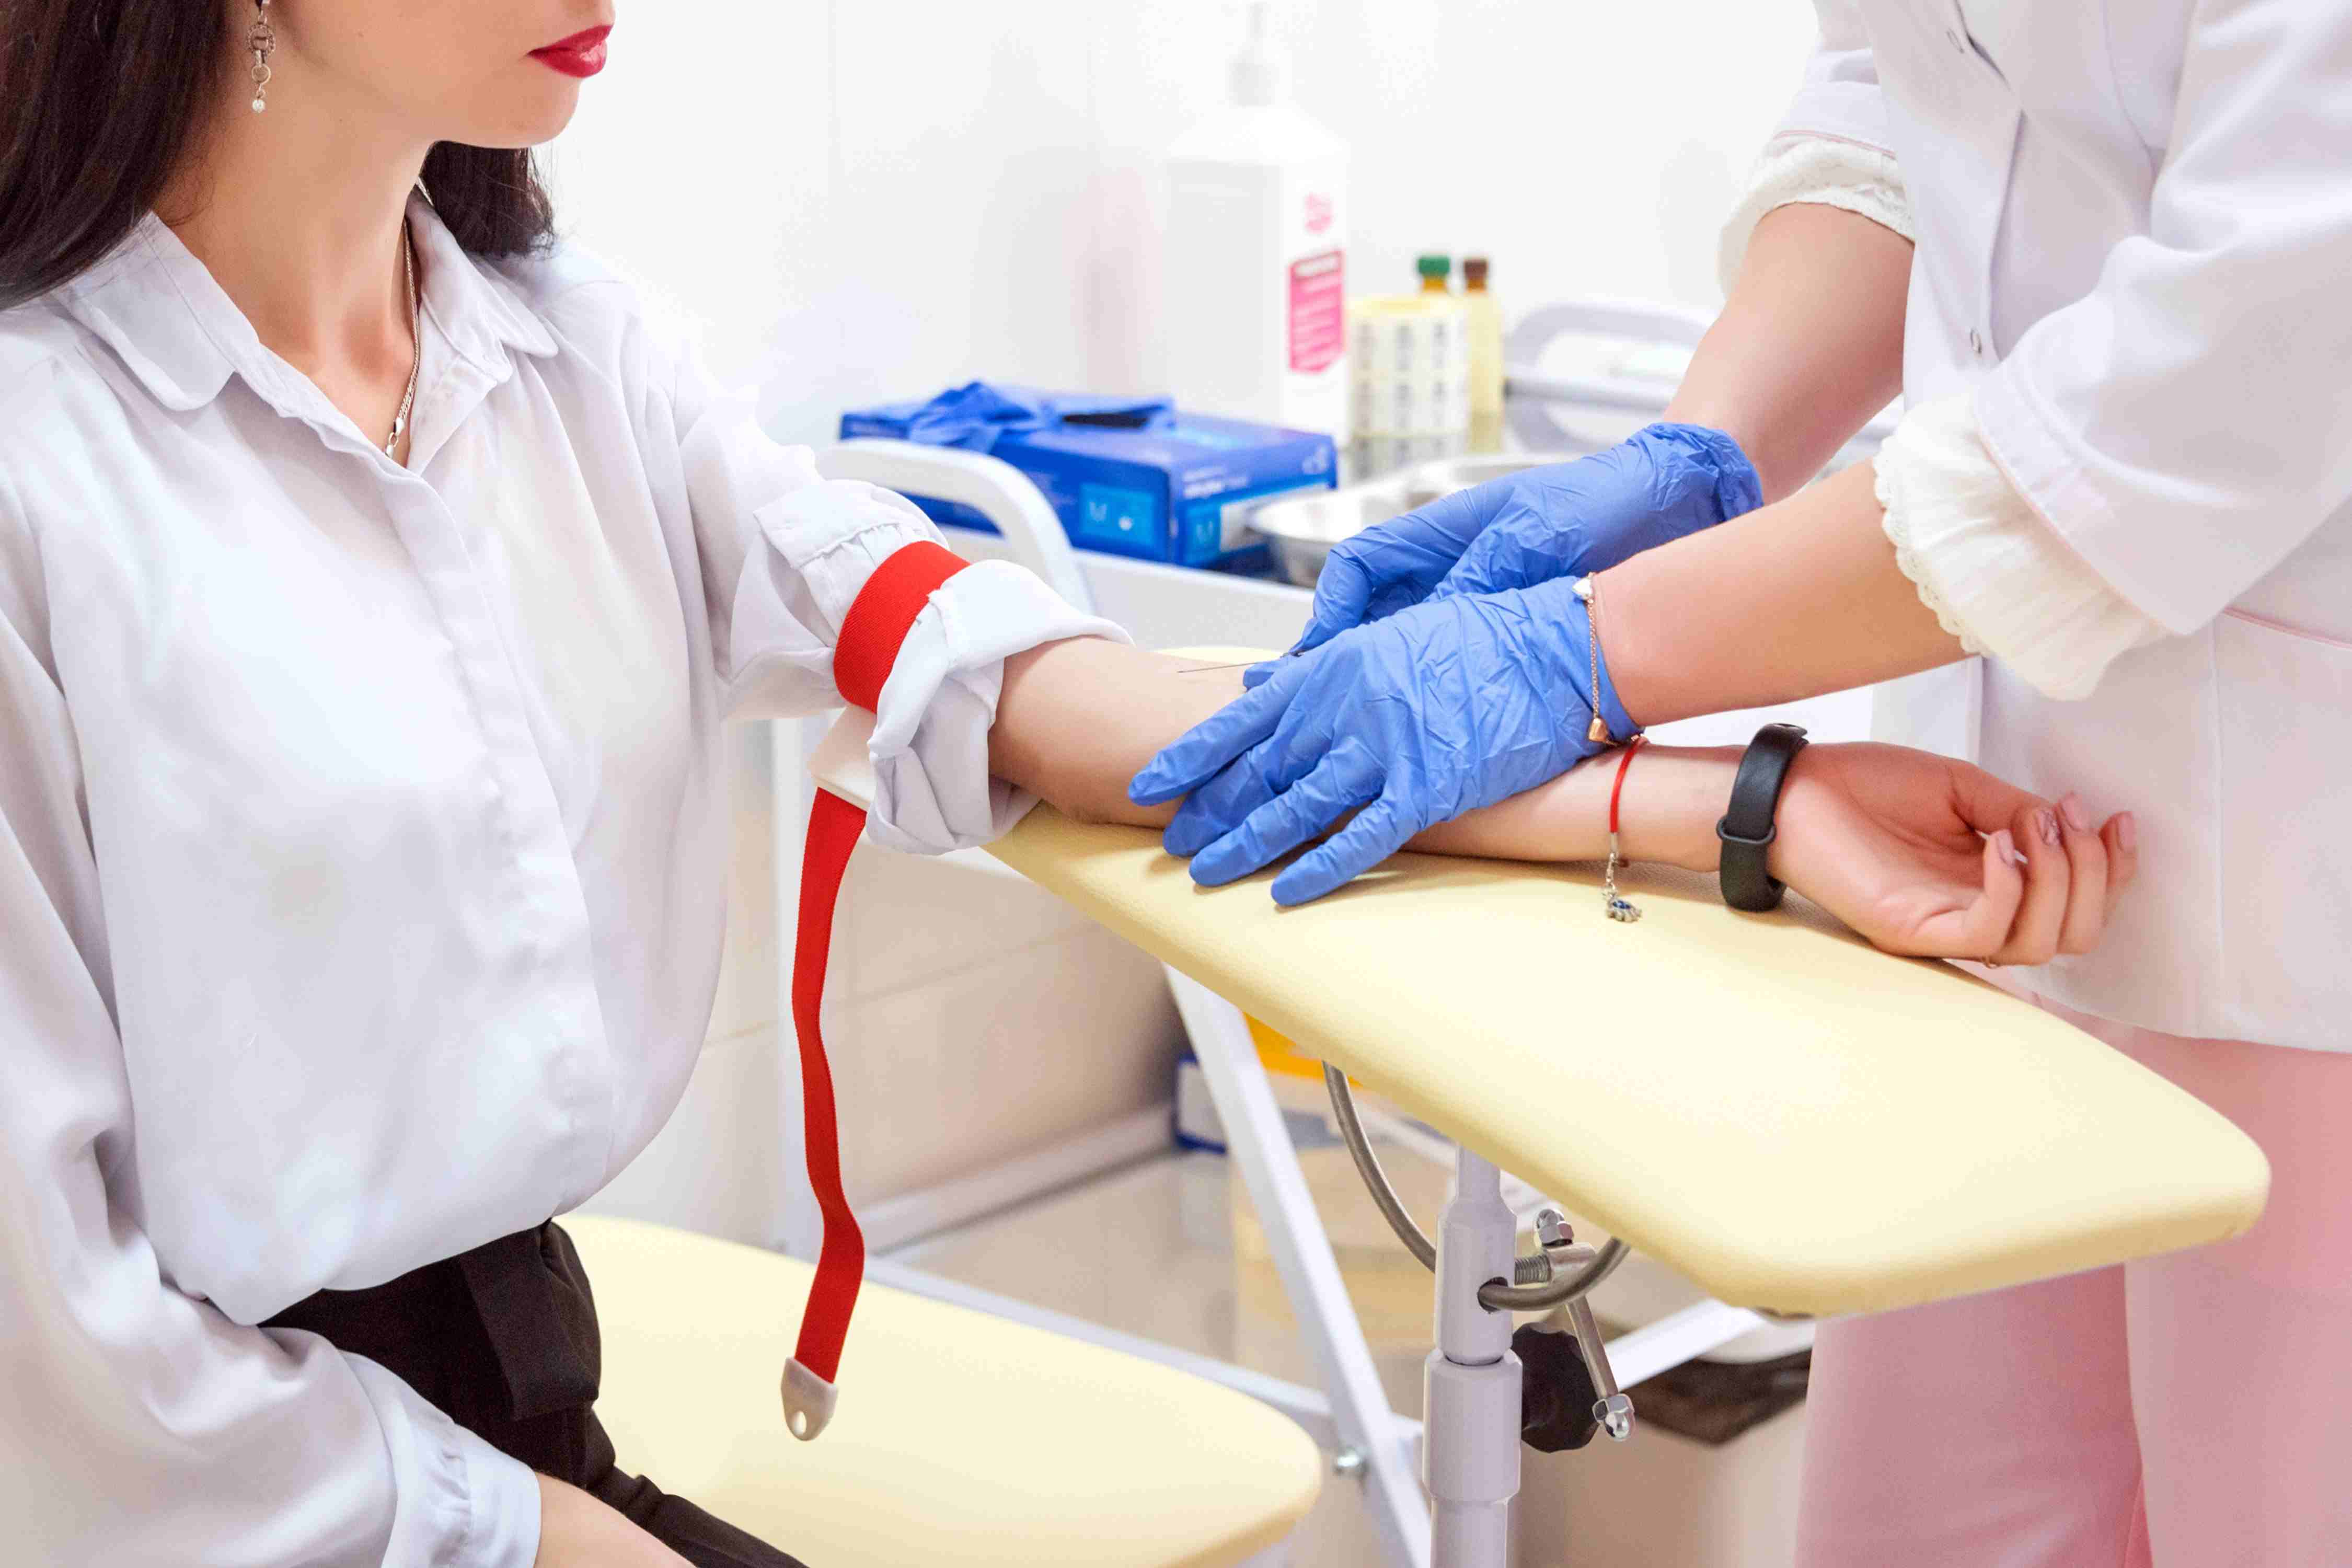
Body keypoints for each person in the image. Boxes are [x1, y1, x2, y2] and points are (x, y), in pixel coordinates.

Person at [0, 9, 2145, 1568]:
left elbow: (1019, 687)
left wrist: (1743, 805)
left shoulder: (560, 358)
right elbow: (60, 1398)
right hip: (207, 1495)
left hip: (513, 1438)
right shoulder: (45, 471)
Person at [1137, 1, 2352, 1561]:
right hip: (1988, 876)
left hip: (2309, 892)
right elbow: (1911, 98)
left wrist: (1600, 654)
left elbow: (2221, 376)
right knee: (1924, 1523)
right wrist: (1704, 454)